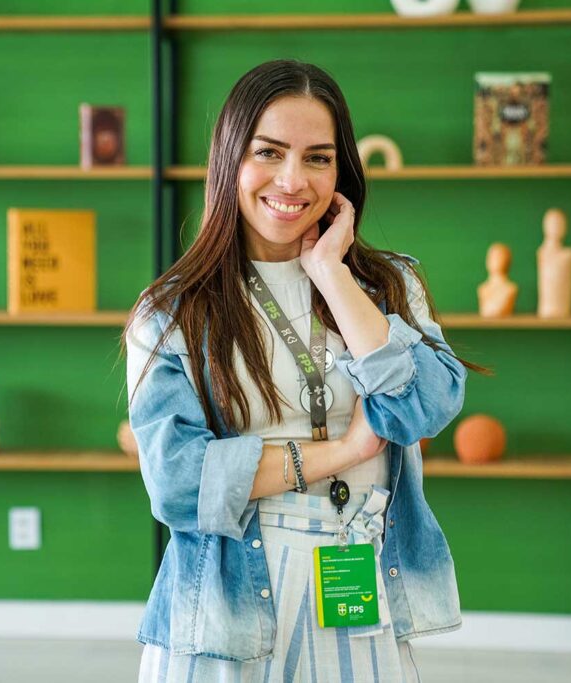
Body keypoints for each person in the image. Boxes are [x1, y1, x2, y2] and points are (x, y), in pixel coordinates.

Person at [124, 59, 482, 683]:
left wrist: (332, 276)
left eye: (318, 157)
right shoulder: (174, 310)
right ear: (230, 160)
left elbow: (426, 407)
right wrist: (342, 452)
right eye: (269, 152)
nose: (292, 180)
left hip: (357, 571)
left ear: (342, 171)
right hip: (226, 603)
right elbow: (178, 483)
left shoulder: (385, 285)